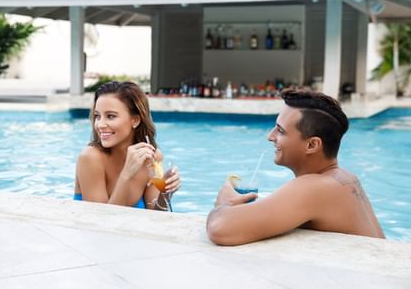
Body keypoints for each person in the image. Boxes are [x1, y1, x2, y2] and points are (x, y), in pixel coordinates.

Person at [206, 89, 385, 245]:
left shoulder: (315, 187)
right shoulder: (346, 179)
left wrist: (225, 203)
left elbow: (219, 229)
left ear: (312, 145)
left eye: (280, 130)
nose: (270, 136)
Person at [74, 81, 181, 210]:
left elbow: (155, 214)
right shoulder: (90, 157)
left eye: (111, 116)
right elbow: (101, 221)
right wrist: (127, 174)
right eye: (97, 116)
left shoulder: (151, 156)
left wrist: (166, 193)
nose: (100, 124)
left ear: (135, 120)